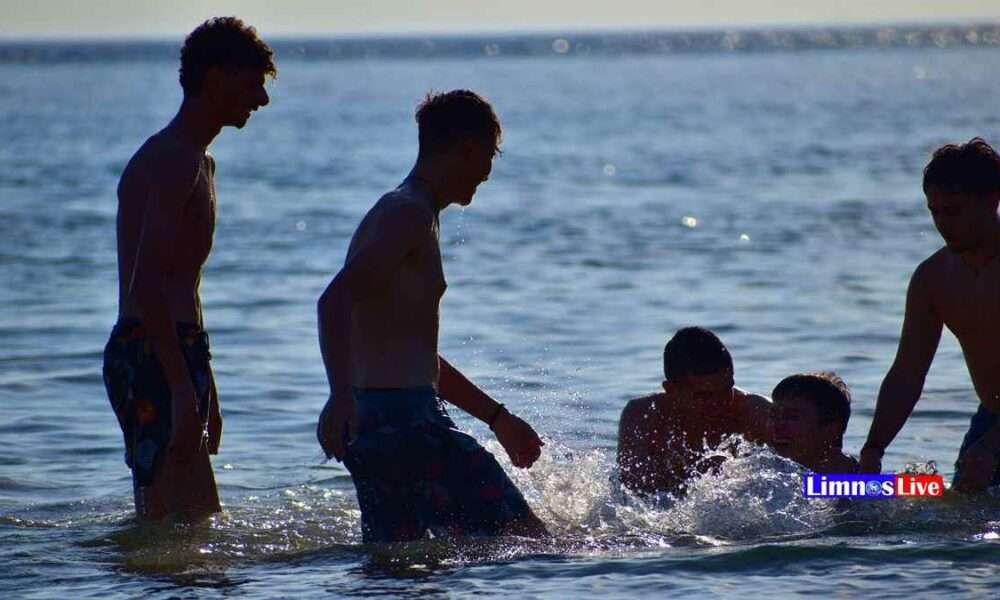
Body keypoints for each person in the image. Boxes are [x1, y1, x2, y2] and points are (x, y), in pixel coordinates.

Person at [316, 90, 548, 542]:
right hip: (403, 425)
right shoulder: (408, 215)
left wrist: (497, 418)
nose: (488, 172)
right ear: (468, 148)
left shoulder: (408, 211)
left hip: (388, 420)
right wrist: (339, 397)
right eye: (490, 155)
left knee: (400, 565)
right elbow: (334, 301)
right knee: (529, 542)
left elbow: (415, 356)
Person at [102, 17, 275, 518]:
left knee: (186, 525)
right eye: (253, 84)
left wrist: (206, 387)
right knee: (179, 525)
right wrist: (181, 388)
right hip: (150, 351)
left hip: (175, 350)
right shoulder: (173, 159)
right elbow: (148, 285)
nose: (261, 100)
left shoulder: (200, 161)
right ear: (217, 78)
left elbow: (184, 286)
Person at [860, 138, 1000, 493]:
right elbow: (907, 373)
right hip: (991, 418)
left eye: (953, 211)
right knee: (959, 513)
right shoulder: (933, 279)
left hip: (993, 436)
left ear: (991, 200)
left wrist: (991, 445)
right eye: (934, 212)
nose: (942, 224)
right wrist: (874, 449)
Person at [617, 327, 771, 496]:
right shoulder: (644, 416)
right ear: (671, 390)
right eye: (704, 396)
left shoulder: (756, 413)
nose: (719, 403)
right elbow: (630, 491)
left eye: (726, 390)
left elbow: (792, 474)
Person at [770, 372, 858, 473]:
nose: (777, 425)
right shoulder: (768, 466)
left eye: (792, 416)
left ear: (831, 430)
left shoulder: (859, 479)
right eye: (773, 415)